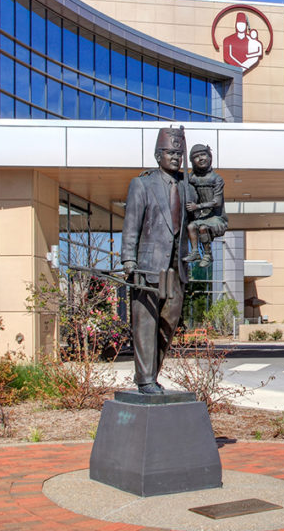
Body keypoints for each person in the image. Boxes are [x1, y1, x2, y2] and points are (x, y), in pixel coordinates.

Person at [120, 126, 194, 394]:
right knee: (145, 324)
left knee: (168, 325)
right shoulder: (142, 184)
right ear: (157, 155)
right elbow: (131, 224)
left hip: (176, 268)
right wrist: (128, 260)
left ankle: (151, 374)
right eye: (170, 152)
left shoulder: (187, 187)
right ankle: (145, 380)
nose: (175, 158)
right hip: (147, 267)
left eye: (179, 153)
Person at [184, 144, 228, 266]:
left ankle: (208, 254)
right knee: (191, 227)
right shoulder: (192, 178)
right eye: (196, 157)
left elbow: (217, 202)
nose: (200, 159)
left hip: (216, 218)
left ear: (210, 157)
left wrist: (197, 207)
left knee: (203, 228)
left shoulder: (216, 179)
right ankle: (195, 252)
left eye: (203, 155)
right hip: (203, 216)